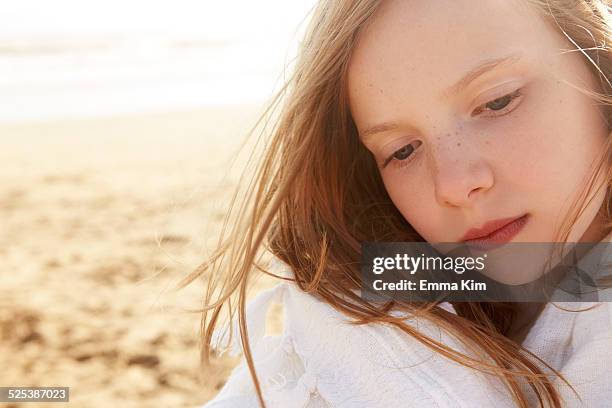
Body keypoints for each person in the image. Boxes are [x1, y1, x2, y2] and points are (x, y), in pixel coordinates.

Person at [192, 0, 612, 406]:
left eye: (497, 101)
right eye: (402, 151)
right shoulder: (355, 324)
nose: (452, 184)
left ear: (598, 60)